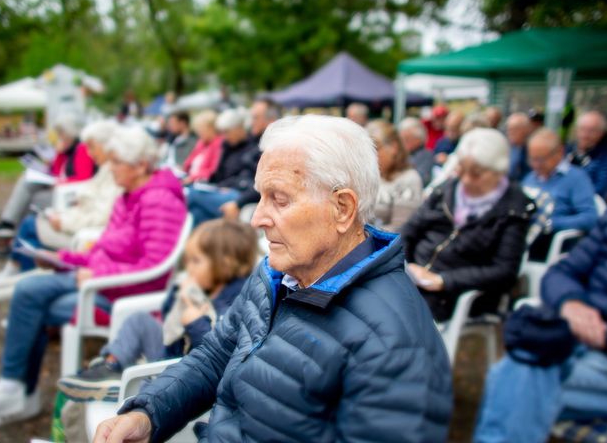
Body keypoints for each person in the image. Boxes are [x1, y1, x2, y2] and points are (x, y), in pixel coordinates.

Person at [94, 115, 452, 443]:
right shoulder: (279, 273)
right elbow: (217, 355)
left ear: (342, 208)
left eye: (279, 199)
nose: (257, 218)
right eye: (261, 196)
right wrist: (149, 413)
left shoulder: (395, 345)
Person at [0, 127, 187, 429]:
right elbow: (105, 248)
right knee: (30, 295)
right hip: (101, 284)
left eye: (116, 162)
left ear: (140, 165)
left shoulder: (159, 201)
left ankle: (15, 390)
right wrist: (63, 258)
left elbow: (154, 270)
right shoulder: (130, 195)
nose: (109, 168)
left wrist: (95, 273)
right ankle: (15, 391)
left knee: (29, 296)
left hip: (116, 295)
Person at [474, 165, 607, 443]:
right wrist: (572, 304)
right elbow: (561, 273)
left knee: (517, 374)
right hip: (571, 338)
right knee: (519, 369)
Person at [57, 219, 258, 402]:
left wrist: (196, 323)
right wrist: (177, 297)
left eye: (196, 261)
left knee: (153, 386)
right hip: (168, 353)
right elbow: (166, 317)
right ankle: (111, 366)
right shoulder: (206, 286)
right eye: (188, 260)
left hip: (182, 375)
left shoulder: (235, 302)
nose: (189, 268)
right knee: (139, 321)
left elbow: (219, 354)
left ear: (224, 263)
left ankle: (134, 394)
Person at [0, 120, 123, 312]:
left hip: (87, 237)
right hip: (85, 233)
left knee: (31, 230)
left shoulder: (113, 172)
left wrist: (65, 218)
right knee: (34, 232)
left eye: (93, 147)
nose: (90, 152)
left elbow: (99, 211)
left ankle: (2, 288)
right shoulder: (109, 169)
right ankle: (0, 288)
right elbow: (93, 200)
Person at [403, 128, 532, 321]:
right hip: (413, 278)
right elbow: (410, 229)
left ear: (499, 171)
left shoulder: (513, 210)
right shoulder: (447, 190)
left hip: (453, 295)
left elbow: (504, 271)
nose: (466, 180)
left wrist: (443, 281)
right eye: (462, 169)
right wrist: (402, 263)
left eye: (476, 174)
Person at [0, 112, 96, 239]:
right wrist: (60, 154)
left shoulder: (82, 149)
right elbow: (56, 171)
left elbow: (84, 178)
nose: (59, 137)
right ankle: (9, 226)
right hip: (63, 190)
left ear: (70, 133)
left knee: (33, 199)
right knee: (27, 184)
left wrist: (60, 182)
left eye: (61, 133)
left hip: (71, 194)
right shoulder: (68, 150)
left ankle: (12, 230)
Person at [523, 129, 599, 260]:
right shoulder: (530, 178)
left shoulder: (576, 178)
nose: (535, 165)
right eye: (532, 159)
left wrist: (551, 224)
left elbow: (590, 218)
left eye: (540, 159)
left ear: (559, 153)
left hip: (553, 244)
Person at [186, 109, 261, 227]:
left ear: (239, 128)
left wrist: (237, 203)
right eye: (223, 132)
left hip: (240, 195)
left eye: (227, 132)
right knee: (197, 213)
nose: (224, 136)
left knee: (190, 195)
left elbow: (253, 182)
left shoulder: (252, 149)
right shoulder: (227, 147)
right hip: (224, 189)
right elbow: (219, 174)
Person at [219, 99, 282, 220]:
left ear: (271, 120)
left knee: (190, 197)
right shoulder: (254, 142)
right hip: (237, 191)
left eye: (255, 118)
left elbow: (267, 183)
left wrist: (238, 203)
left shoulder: (276, 148)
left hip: (245, 199)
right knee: (196, 210)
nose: (250, 122)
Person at [368, 120, 422, 231]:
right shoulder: (369, 176)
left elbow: (401, 229)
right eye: (367, 150)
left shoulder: (409, 179)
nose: (371, 155)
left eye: (376, 148)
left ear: (393, 147)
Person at [566, 111, 607, 199]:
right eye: (582, 129)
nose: (585, 135)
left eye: (591, 131)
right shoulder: (568, 149)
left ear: (601, 133)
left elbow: (603, 185)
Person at [182, 110, 223, 184]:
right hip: (190, 178)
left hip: (204, 182)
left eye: (201, 129)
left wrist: (193, 178)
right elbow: (188, 162)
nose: (198, 133)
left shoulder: (219, 144)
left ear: (211, 128)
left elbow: (213, 170)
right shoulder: (201, 143)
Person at [398, 117, 434, 186]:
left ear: (418, 139)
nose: (402, 143)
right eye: (401, 139)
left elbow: (421, 179)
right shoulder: (401, 154)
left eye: (406, 139)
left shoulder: (426, 155)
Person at [506, 112, 532, 182]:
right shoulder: (505, 148)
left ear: (526, 130)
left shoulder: (532, 149)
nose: (510, 133)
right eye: (509, 129)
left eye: (515, 129)